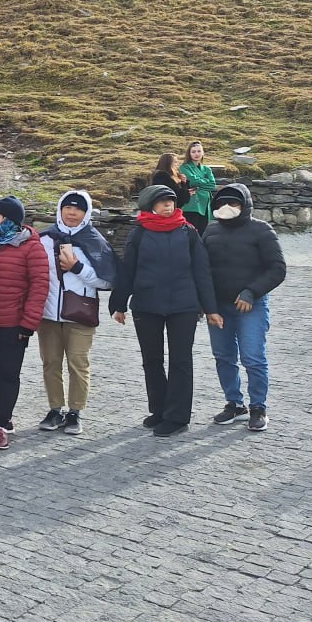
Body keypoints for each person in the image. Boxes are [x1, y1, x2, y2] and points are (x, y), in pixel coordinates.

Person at [109, 185, 222, 436]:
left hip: (183, 306)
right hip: (146, 305)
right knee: (152, 361)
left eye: (170, 201)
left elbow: (201, 272)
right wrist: (119, 304)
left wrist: (210, 308)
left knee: (181, 361)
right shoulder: (138, 234)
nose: (168, 205)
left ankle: (178, 417)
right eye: (161, 202)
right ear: (150, 205)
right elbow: (128, 270)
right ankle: (159, 410)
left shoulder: (188, 232)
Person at [202, 184, 286, 431]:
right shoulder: (210, 231)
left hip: (252, 306)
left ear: (245, 205)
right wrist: (207, 305)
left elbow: (277, 268)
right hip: (218, 307)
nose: (227, 208)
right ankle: (234, 404)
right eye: (221, 204)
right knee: (223, 356)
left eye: (234, 204)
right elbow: (202, 270)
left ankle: (258, 407)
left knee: (253, 357)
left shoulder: (261, 230)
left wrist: (251, 291)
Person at [36, 191, 120, 436]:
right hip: (49, 314)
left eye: (79, 209)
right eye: (68, 208)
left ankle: (75, 412)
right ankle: (55, 409)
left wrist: (78, 268)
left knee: (77, 363)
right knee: (50, 363)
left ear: (86, 213)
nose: (72, 213)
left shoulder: (95, 241)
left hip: (80, 314)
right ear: (60, 209)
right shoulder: (44, 239)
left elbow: (107, 281)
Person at [0, 196, 50, 451]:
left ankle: (3, 424)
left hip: (13, 324)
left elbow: (39, 287)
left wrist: (28, 323)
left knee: (8, 374)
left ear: (8, 220)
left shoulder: (31, 247)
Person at [179, 141, 217, 235]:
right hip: (191, 205)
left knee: (202, 233)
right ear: (189, 153)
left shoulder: (207, 169)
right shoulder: (185, 167)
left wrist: (199, 184)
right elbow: (192, 181)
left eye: (199, 151)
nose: (196, 154)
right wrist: (204, 181)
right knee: (191, 232)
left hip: (204, 205)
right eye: (193, 152)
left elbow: (212, 185)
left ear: (203, 152)